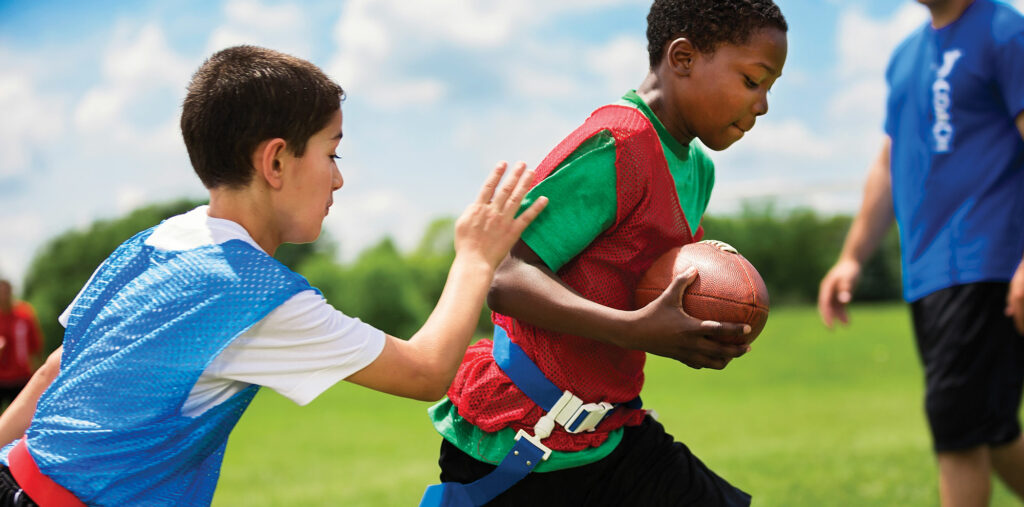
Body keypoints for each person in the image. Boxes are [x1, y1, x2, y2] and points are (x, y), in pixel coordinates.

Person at [0, 45, 547, 506]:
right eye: (332, 154)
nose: (337, 179)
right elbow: (426, 371)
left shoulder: (147, 244)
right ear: (276, 162)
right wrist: (475, 257)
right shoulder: (254, 295)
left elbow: (54, 371)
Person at [421, 1, 788, 505]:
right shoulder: (619, 142)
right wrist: (633, 329)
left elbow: (646, 281)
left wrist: (695, 327)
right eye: (752, 80)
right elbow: (503, 276)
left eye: (771, 87)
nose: (763, 104)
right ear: (682, 57)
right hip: (521, 437)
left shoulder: (699, 169)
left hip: (611, 431)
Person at [817, 0, 1024, 505]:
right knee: (986, 426)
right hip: (927, 273)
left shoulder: (1004, 32)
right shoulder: (905, 55)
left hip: (986, 259)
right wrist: (851, 256)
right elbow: (889, 163)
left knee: (958, 427)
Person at [0, 280, 43, 410]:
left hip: (21, 377)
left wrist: (38, 376)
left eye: (6, 291)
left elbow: (36, 346)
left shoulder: (24, 314)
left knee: (23, 421)